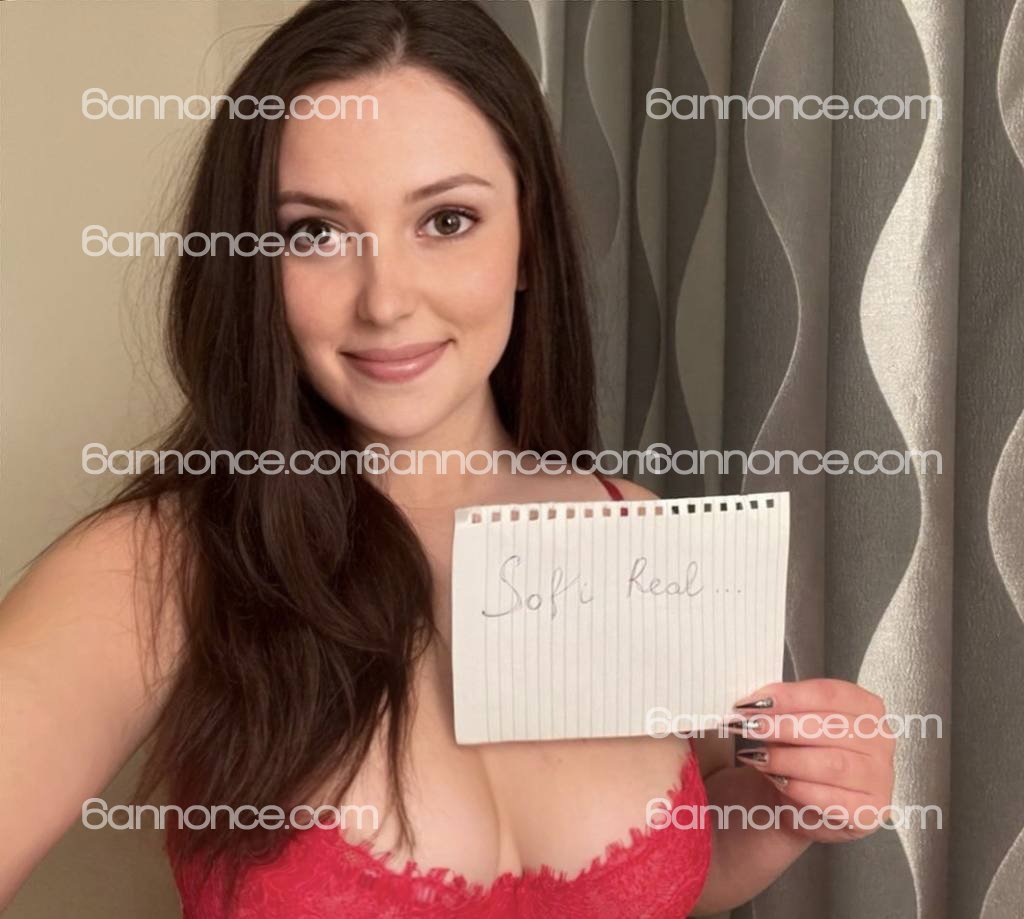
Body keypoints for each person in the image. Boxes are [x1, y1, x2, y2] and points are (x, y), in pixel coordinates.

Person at [0, 1, 895, 916]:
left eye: (448, 219)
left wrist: (791, 800)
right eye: (314, 233)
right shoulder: (159, 566)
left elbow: (674, 876)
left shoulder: (630, 524)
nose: (386, 300)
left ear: (528, 241)